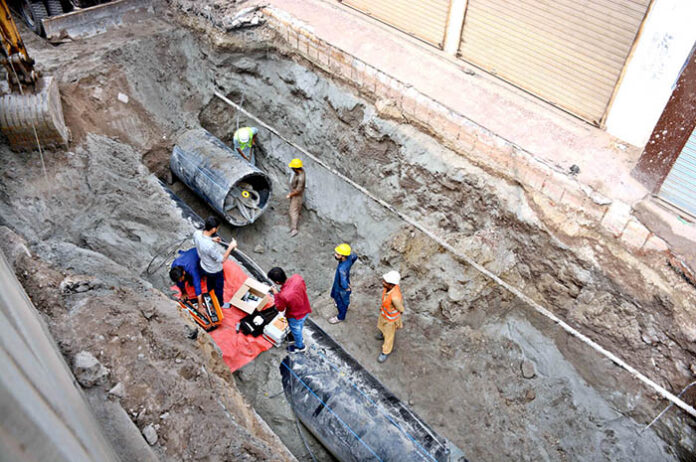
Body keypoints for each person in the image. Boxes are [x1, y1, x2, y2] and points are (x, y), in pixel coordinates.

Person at [193, 216, 237, 307]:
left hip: (204, 266)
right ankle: (219, 304)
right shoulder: (210, 246)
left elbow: (203, 241)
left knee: (210, 283)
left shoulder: (196, 233)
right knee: (218, 287)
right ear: (213, 229)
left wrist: (211, 239)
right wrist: (230, 247)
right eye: (217, 228)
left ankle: (210, 295)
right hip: (214, 270)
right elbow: (222, 259)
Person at [268, 267, 312, 353]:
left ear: (277, 282)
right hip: (305, 308)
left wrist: (276, 294)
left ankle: (300, 346)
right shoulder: (297, 278)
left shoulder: (283, 295)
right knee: (299, 326)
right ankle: (297, 336)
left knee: (296, 331)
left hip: (295, 316)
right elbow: (303, 289)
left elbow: (280, 308)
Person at [376, 271, 404, 363]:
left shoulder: (395, 297)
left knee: (389, 336)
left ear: (391, 285)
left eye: (385, 282)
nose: (383, 282)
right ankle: (382, 334)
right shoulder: (387, 289)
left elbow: (401, 308)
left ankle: (385, 351)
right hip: (384, 314)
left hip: (390, 320)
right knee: (381, 325)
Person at [329, 243, 358, 324]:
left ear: (343, 256)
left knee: (341, 302)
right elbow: (355, 256)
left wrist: (346, 287)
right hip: (339, 283)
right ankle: (343, 305)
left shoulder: (342, 269)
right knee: (338, 296)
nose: (335, 255)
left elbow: (343, 280)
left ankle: (340, 317)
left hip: (341, 287)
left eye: (338, 254)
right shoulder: (350, 257)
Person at [286, 158, 305, 237]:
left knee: (292, 211)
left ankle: (294, 229)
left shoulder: (301, 178)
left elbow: (298, 190)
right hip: (295, 193)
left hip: (296, 195)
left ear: (296, 168)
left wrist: (290, 195)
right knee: (296, 208)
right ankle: (298, 215)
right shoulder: (299, 172)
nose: (292, 169)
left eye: (293, 168)